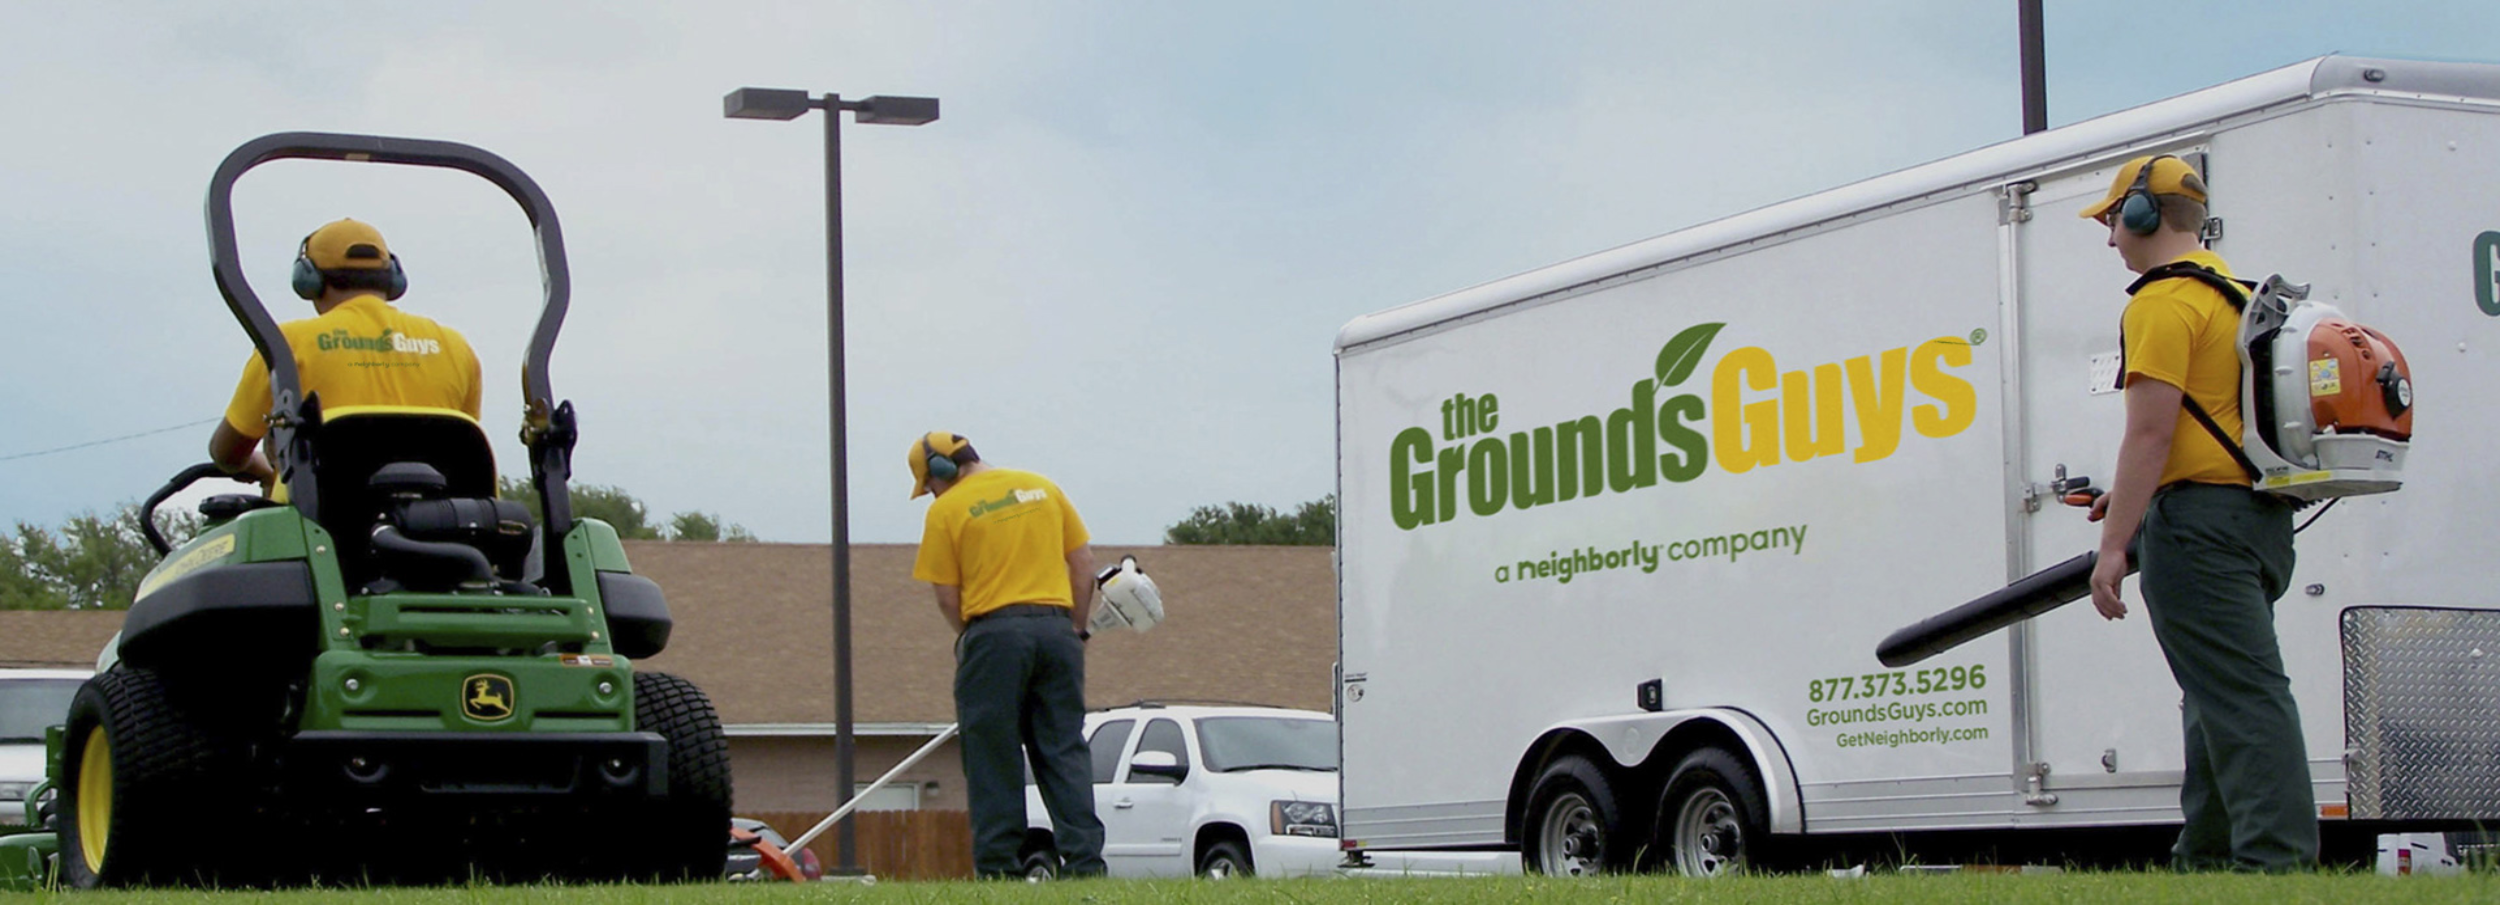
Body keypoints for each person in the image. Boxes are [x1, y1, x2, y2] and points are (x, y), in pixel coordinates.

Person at [2079, 155, 2313, 871]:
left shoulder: (2157, 303)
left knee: (2243, 697)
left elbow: (2150, 431)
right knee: (2213, 694)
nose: (2110, 237)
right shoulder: (2237, 295)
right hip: (2259, 521)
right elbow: (2207, 427)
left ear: (2143, 215)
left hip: (2197, 532)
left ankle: (2275, 864)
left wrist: (2114, 546)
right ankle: (2207, 859)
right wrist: (2127, 496)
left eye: (2114, 220)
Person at [907, 431, 1106, 878]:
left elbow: (946, 596)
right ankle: (1086, 863)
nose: (930, 495)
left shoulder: (947, 509)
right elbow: (1083, 564)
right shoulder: (1044, 487)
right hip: (1058, 632)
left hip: (994, 633)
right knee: (1063, 748)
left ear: (940, 470)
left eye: (928, 485)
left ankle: (999, 869)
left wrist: (975, 636)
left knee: (992, 753)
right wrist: (1073, 627)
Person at [208, 218, 482, 482]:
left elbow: (228, 453)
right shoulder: (456, 347)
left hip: (320, 520)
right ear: (393, 276)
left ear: (308, 279)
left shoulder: (284, 344)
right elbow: (462, 446)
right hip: (440, 520)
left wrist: (265, 470)